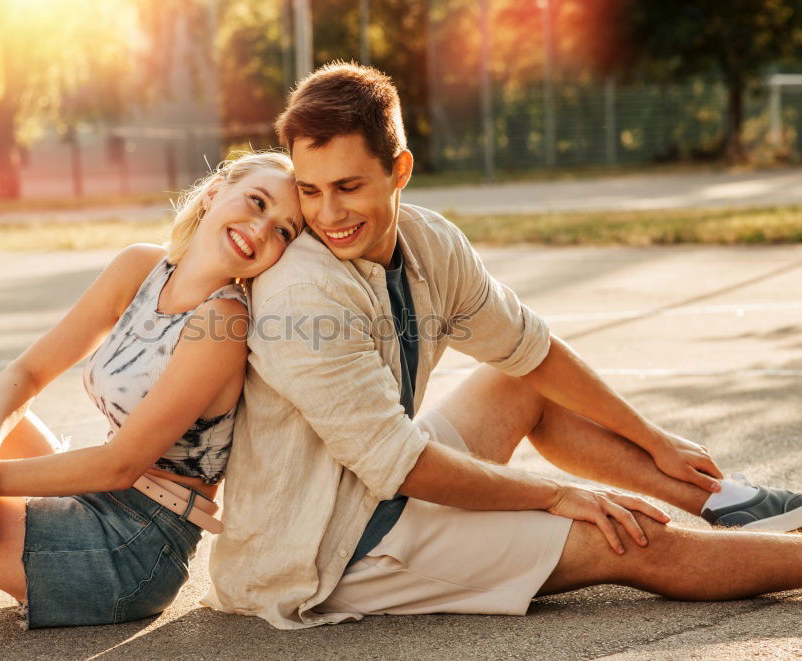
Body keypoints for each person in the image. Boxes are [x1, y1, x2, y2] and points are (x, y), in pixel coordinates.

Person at [204, 63, 802, 629]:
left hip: (378, 484)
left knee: (518, 382)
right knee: (632, 538)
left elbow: (530, 350)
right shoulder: (302, 291)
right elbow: (402, 465)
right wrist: (558, 495)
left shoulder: (429, 241)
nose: (327, 214)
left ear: (399, 171)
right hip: (327, 550)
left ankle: (729, 502)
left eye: (348, 186)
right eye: (308, 190)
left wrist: (656, 440)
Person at [0, 151, 302, 628]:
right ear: (216, 192)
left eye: (283, 229)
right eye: (257, 202)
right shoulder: (141, 268)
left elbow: (119, 464)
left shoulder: (222, 323)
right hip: (97, 495)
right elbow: (29, 372)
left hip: (133, 547)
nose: (260, 230)